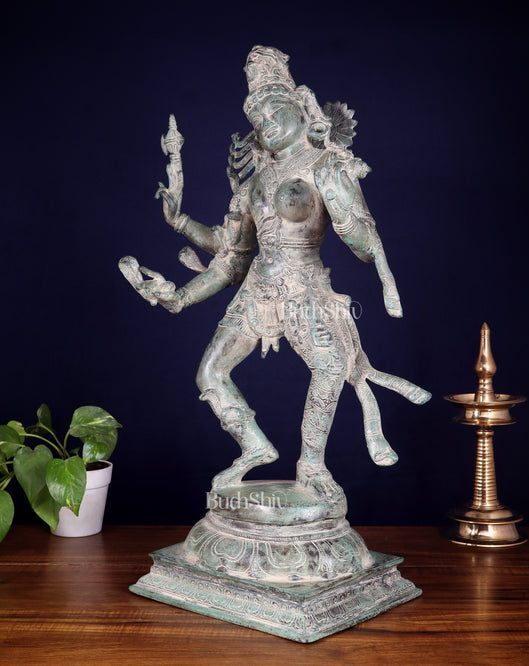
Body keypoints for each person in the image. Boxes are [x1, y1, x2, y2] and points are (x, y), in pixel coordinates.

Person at [119, 46, 430, 500]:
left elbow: (364, 247)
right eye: (257, 117)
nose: (264, 122)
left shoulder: (324, 165)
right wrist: (180, 245)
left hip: (305, 288)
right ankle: (255, 446)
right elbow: (231, 257)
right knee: (210, 373)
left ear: (302, 107)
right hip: (257, 290)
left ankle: (312, 465)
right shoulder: (253, 184)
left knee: (330, 366)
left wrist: (341, 195)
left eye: (273, 109)